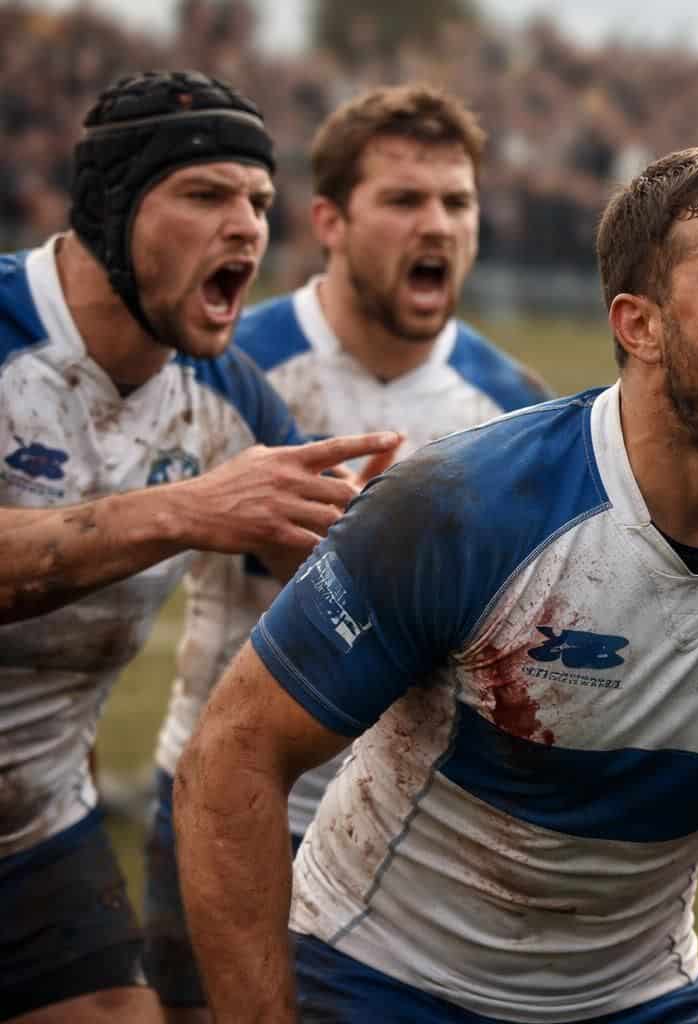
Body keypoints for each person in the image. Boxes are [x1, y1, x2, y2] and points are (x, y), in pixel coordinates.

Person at [174, 142, 698, 1024]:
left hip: (639, 998)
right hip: (383, 981)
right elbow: (233, 754)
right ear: (639, 324)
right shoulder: (464, 509)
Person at [140, 82, 551, 1022]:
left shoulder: (513, 410)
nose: (437, 224)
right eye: (405, 201)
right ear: (329, 219)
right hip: (219, 797)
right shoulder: (224, 361)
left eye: (457, 202)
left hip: (403, 837)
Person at [0, 71, 399, 1024]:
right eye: (206, 193)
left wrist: (405, 530)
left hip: (32, 828)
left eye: (258, 201)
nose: (248, 227)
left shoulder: (226, 398)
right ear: (110, 208)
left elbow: (339, 579)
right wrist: (183, 509)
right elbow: (191, 510)